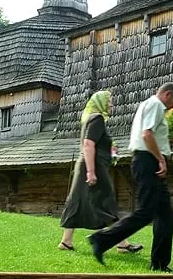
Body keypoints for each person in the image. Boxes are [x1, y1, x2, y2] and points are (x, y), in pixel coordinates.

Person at [89, 82, 173, 272]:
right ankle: (101, 239)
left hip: (147, 159)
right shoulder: (156, 105)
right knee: (146, 212)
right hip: (148, 161)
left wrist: (167, 144)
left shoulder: (147, 105)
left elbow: (151, 134)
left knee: (165, 215)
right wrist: (161, 159)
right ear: (167, 94)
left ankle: (159, 263)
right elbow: (147, 135)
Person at [57, 90, 142, 254]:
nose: (111, 106)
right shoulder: (97, 119)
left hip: (88, 166)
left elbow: (93, 143)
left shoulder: (90, 119)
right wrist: (91, 172)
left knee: (78, 202)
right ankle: (122, 243)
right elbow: (88, 144)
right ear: (100, 103)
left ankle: (66, 242)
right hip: (93, 167)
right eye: (109, 102)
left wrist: (109, 149)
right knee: (106, 203)